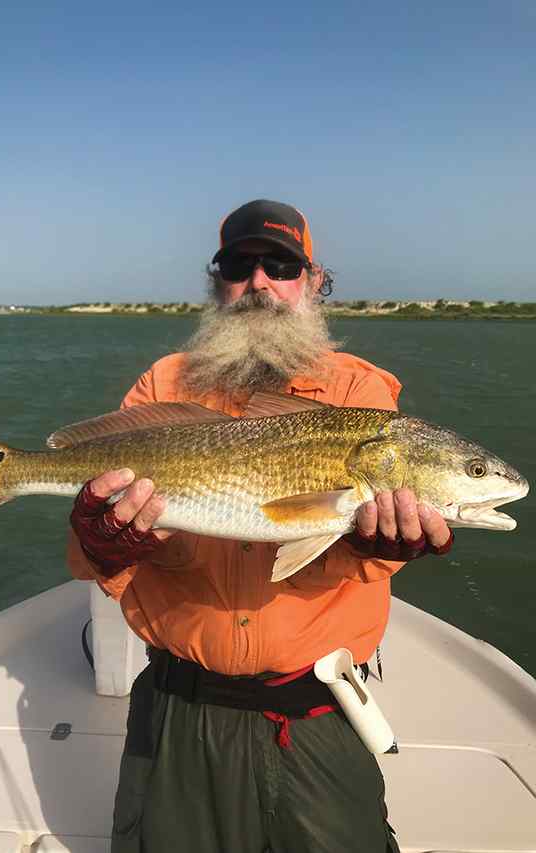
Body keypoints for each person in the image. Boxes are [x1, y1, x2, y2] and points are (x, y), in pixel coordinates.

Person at [67, 199, 453, 852]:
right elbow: (87, 560)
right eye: (239, 265)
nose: (260, 283)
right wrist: (101, 541)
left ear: (314, 281)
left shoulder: (362, 393)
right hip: (179, 709)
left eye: (281, 264)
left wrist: (382, 544)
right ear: (216, 283)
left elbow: (375, 554)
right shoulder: (160, 386)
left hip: (317, 711)